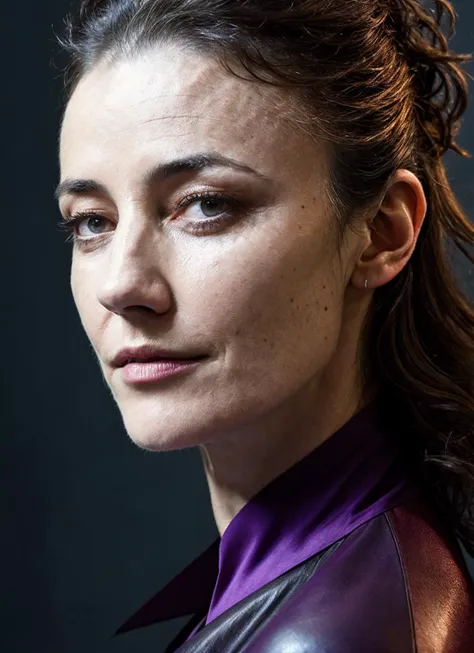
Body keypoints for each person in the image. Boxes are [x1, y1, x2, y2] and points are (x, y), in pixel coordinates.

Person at [55, 0, 474, 650]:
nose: (121, 285)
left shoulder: (336, 631)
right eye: (92, 221)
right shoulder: (334, 570)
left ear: (381, 233)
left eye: (205, 205)